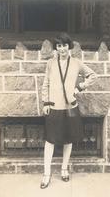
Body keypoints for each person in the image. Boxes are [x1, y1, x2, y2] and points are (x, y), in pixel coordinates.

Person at [40, 33, 97, 189]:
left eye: (64, 45)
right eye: (59, 46)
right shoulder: (51, 63)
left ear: (69, 46)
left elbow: (92, 76)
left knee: (68, 139)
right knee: (50, 140)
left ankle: (64, 169)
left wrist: (79, 88)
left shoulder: (77, 63)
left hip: (70, 106)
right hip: (54, 106)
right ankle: (46, 173)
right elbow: (45, 83)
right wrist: (46, 102)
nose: (62, 49)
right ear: (56, 48)